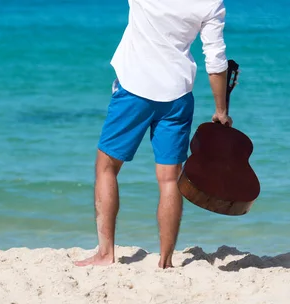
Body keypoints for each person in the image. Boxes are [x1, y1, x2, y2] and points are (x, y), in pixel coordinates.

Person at [75, 0, 232, 269]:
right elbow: (215, 59)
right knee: (170, 179)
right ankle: (165, 261)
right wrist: (221, 110)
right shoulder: (211, 3)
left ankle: (105, 254)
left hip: (134, 91)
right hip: (177, 94)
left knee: (107, 168)